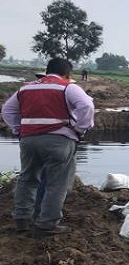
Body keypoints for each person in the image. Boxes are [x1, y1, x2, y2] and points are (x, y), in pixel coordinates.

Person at [1, 57, 95, 237]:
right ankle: (47, 223)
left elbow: (7, 110)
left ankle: (21, 219)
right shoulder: (68, 87)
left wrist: (18, 129)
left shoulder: (25, 88)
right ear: (68, 74)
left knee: (27, 178)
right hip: (58, 140)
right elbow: (87, 106)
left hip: (28, 140)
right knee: (56, 182)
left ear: (46, 71)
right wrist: (79, 129)